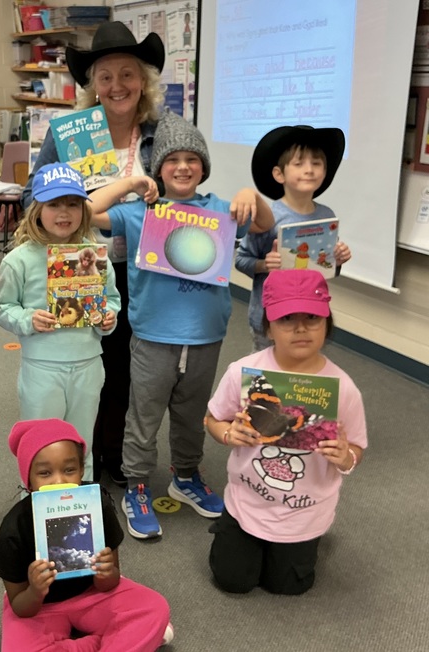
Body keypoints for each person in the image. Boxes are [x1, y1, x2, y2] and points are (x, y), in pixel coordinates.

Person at [88, 119, 275, 539]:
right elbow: (88, 210)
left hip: (206, 336)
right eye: (172, 160)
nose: (183, 166)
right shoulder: (141, 212)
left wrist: (253, 196)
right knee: (143, 416)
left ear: (204, 167)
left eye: (192, 159)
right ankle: (137, 485)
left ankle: (186, 475)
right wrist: (131, 183)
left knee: (193, 415)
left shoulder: (221, 209)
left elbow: (263, 224)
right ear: (159, 168)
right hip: (153, 337)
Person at [22, 21, 180, 487]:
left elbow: (181, 197)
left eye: (127, 74)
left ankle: (114, 453)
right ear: (93, 86)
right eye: (105, 77)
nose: (117, 86)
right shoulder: (70, 134)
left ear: (143, 82)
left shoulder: (161, 133)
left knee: (128, 367)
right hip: (80, 267)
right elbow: (33, 195)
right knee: (82, 365)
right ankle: (72, 460)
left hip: (143, 269)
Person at [205, 269, 367, 594]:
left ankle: (303, 544)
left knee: (289, 586)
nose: (300, 328)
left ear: (327, 324)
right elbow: (212, 419)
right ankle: (233, 530)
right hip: (248, 502)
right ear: (268, 326)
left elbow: (356, 448)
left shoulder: (343, 388)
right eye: (287, 319)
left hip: (304, 512)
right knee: (232, 580)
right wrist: (228, 434)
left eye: (312, 318)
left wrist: (345, 457)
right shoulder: (243, 372)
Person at [0, 418, 173, 651]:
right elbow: (20, 607)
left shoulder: (97, 504)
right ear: (29, 480)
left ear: (81, 470)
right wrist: (35, 591)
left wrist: (105, 573)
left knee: (155, 608)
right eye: (45, 473)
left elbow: (110, 583)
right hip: (42, 608)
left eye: (69, 470)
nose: (59, 481)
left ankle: (101, 640)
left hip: (92, 595)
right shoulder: (14, 528)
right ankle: (101, 642)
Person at [0, 163, 120, 482]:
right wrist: (28, 318)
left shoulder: (93, 256)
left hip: (88, 364)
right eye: (54, 204)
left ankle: (81, 501)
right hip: (42, 368)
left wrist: (108, 317)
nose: (64, 212)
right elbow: (2, 307)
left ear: (83, 210)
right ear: (37, 209)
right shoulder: (19, 259)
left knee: (81, 442)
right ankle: (34, 502)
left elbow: (111, 299)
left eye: (73, 204)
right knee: (40, 444)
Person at [235, 125, 352, 351]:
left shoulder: (326, 216)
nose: (309, 170)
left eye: (316, 163)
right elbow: (241, 260)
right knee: (266, 368)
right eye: (299, 164)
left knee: (302, 368)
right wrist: (264, 265)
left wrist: (337, 260)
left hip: (309, 315)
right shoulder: (268, 217)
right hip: (270, 318)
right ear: (279, 174)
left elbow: (325, 270)